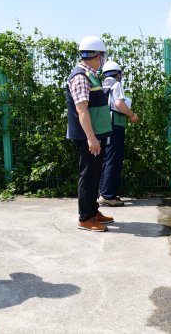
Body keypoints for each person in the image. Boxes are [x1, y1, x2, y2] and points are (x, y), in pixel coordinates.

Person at [66, 36, 114, 232]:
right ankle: (85, 218)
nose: (103, 59)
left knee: (94, 174)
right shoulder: (80, 77)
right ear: (96, 55)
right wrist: (91, 138)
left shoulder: (91, 75)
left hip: (95, 135)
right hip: (88, 137)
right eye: (102, 55)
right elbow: (82, 110)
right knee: (88, 175)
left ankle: (93, 211)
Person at [98, 61, 139, 207]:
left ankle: (105, 192)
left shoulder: (102, 85)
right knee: (113, 159)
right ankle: (108, 195)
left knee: (106, 158)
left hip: (103, 125)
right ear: (118, 74)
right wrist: (132, 115)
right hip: (114, 125)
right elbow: (119, 104)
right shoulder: (116, 85)